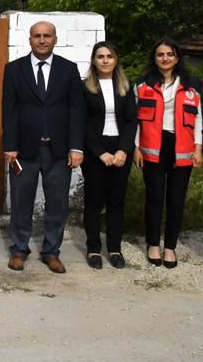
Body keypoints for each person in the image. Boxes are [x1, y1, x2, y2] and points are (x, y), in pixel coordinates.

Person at [2, 21, 85, 274]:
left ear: (55, 39)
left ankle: (51, 252)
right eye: (36, 36)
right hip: (24, 151)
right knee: (20, 202)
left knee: (57, 204)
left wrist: (76, 147)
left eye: (46, 36)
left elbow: (76, 110)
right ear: (29, 40)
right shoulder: (14, 69)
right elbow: (9, 109)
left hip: (58, 151)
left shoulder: (68, 70)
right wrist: (10, 146)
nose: (41, 40)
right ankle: (18, 250)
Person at [132, 38, 203, 269]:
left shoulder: (193, 86)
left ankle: (170, 246)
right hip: (152, 146)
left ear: (177, 57)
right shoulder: (142, 85)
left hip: (182, 146)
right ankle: (153, 243)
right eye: (160, 54)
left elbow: (199, 119)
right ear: (154, 58)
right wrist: (135, 148)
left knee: (176, 200)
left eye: (170, 54)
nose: (165, 58)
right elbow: (134, 120)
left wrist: (199, 148)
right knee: (154, 198)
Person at [81, 41, 137, 270]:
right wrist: (100, 152)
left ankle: (114, 248)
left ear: (116, 60)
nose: (105, 60)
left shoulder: (125, 85)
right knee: (94, 201)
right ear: (94, 60)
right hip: (96, 149)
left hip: (121, 148)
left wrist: (124, 149)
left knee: (116, 201)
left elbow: (133, 119)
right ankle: (94, 248)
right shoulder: (84, 86)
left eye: (109, 56)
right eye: (100, 56)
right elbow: (82, 122)